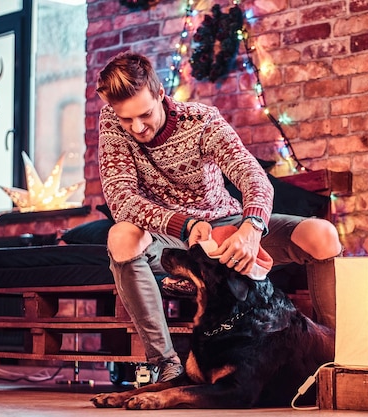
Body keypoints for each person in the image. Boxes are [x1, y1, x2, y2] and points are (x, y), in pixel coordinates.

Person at [95, 51, 342, 383]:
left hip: (227, 227)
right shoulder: (112, 122)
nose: (137, 127)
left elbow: (252, 176)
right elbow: (122, 199)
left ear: (160, 95)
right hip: (172, 240)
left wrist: (251, 228)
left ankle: (341, 355)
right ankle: (166, 364)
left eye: (145, 115)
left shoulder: (202, 121)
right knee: (121, 236)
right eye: (127, 120)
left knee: (322, 234)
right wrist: (185, 225)